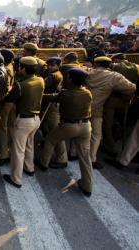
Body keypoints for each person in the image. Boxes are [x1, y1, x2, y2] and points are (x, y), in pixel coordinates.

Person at [38, 68, 93, 196]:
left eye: (68, 77)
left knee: (51, 139)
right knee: (85, 157)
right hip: (85, 126)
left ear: (71, 80)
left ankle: (43, 163)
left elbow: (50, 98)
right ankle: (87, 186)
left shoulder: (65, 94)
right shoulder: (88, 93)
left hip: (69, 125)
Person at [87, 56, 136, 169]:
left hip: (81, 106)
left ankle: (73, 153)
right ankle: (91, 159)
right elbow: (132, 88)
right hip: (97, 109)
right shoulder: (114, 76)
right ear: (109, 65)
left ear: (95, 64)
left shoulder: (87, 72)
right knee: (96, 135)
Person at [2, 57, 44, 188]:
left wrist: (8, 90)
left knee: (18, 150)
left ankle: (16, 179)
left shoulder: (20, 85)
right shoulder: (40, 80)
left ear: (24, 68)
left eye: (19, 67)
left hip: (24, 121)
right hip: (36, 119)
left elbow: (9, 99)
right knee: (29, 145)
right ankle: (29, 168)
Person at [102, 53, 139, 155]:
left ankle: (110, 146)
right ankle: (120, 140)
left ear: (116, 59)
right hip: (128, 100)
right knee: (123, 121)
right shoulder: (137, 67)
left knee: (107, 124)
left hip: (113, 99)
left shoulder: (114, 66)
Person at [41, 57, 68, 168]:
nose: (50, 67)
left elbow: (41, 86)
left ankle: (62, 159)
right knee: (49, 130)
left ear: (58, 65)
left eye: (53, 65)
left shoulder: (53, 76)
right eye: (49, 65)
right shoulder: (58, 74)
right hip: (51, 105)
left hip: (51, 106)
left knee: (55, 133)